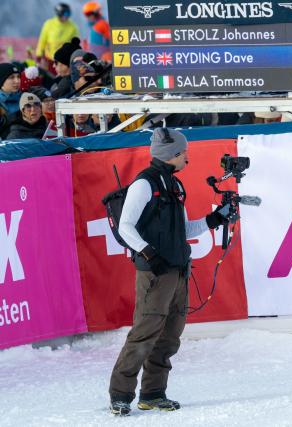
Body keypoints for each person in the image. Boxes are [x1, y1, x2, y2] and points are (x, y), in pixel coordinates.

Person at [109, 128, 236, 416]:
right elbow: (125, 226)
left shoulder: (174, 186)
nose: (187, 157)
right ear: (173, 154)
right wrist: (148, 253)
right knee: (144, 333)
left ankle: (153, 393)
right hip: (155, 273)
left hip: (178, 270)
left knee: (169, 337)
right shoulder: (144, 184)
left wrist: (215, 219)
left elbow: (185, 230)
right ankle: (120, 393)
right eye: (184, 152)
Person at [36, 3, 80, 73]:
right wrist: (39, 55)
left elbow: (76, 43)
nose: (67, 17)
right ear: (59, 13)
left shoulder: (73, 27)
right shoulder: (49, 24)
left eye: (69, 14)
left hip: (64, 61)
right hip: (50, 60)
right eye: (65, 14)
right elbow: (42, 40)